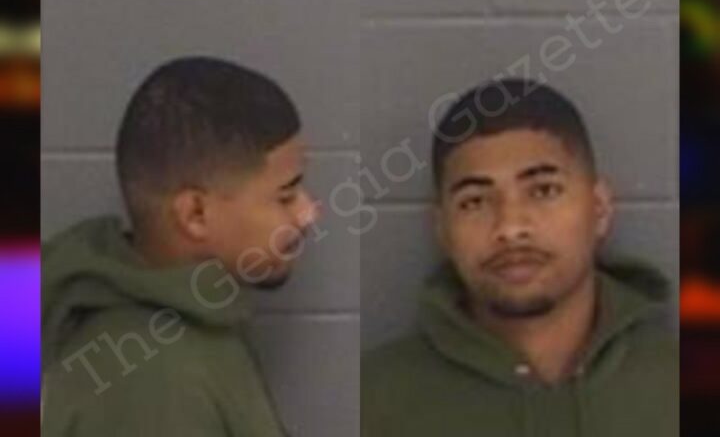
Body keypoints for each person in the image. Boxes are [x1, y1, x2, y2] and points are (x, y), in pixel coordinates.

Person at [362, 79, 678, 437]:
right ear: (442, 229)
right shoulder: (372, 403)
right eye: (475, 202)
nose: (510, 227)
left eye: (543, 191)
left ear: (600, 209)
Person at [42, 57, 320, 436]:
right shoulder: (155, 384)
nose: (308, 213)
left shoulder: (190, 325)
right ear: (195, 214)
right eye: (286, 196)